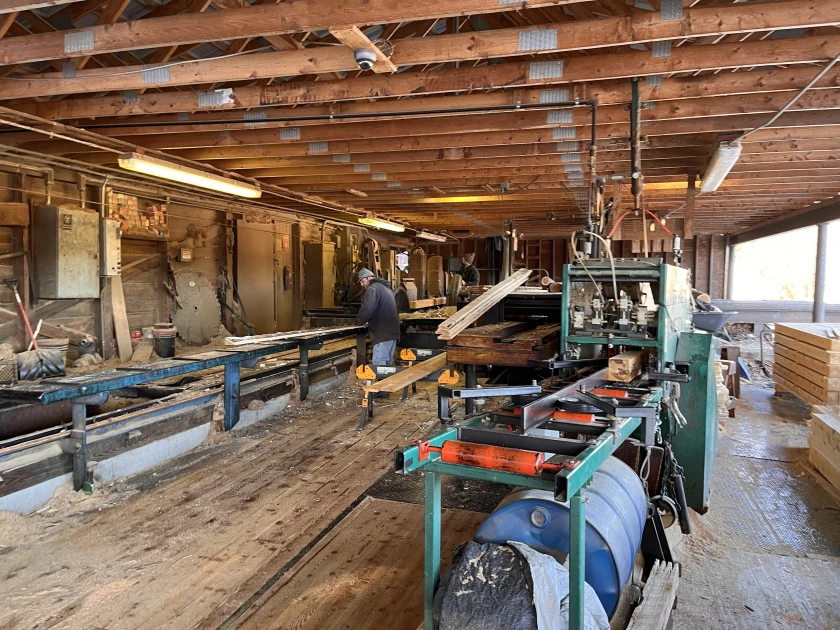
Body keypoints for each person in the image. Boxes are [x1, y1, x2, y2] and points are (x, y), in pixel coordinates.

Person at [355, 267, 400, 366]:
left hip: (382, 334)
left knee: (379, 367)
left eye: (362, 281)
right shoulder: (386, 288)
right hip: (392, 333)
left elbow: (367, 309)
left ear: (369, 278)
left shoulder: (373, 289)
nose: (362, 285)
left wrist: (358, 322)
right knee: (386, 368)